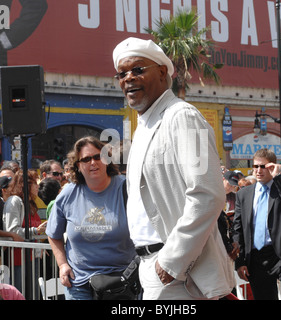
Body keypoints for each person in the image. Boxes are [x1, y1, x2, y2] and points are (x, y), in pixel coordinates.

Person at [113, 37, 234, 300]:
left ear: (162, 72)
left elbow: (208, 194)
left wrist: (172, 259)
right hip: (152, 265)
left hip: (180, 272)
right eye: (122, 74)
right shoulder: (145, 125)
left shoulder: (182, 116)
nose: (129, 78)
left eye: (138, 70)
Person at [46, 136, 137, 300]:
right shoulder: (69, 193)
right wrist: (62, 265)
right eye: (86, 159)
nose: (93, 163)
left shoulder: (126, 188)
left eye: (98, 156)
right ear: (78, 166)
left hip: (120, 283)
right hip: (79, 283)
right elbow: (53, 233)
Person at [233, 148, 281, 300]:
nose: (258, 170)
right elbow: (238, 228)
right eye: (256, 166)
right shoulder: (243, 194)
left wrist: (279, 177)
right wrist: (239, 262)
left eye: (264, 167)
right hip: (256, 258)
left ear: (272, 167)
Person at [2, 170, 47, 294]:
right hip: (18, 258)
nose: (38, 186)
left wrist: (40, 239)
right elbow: (12, 230)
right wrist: (35, 231)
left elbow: (35, 231)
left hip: (33, 256)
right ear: (25, 185)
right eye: (35, 183)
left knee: (33, 293)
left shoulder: (31, 203)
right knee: (20, 293)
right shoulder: (14, 201)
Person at [218, 171, 240, 261]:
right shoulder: (215, 195)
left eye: (233, 186)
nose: (231, 188)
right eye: (229, 184)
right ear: (223, 179)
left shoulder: (234, 197)